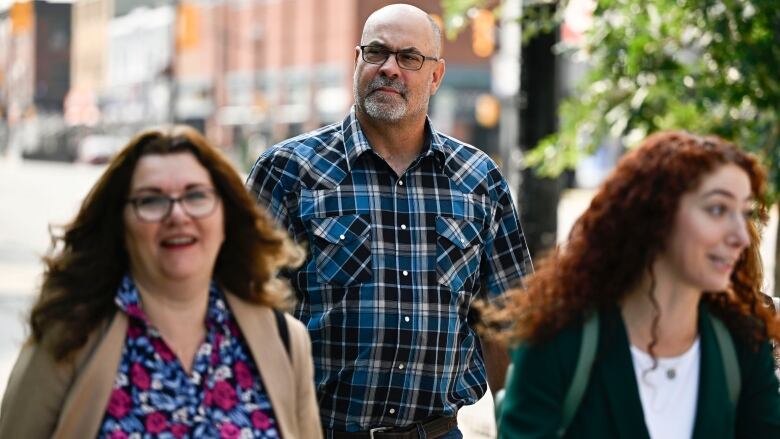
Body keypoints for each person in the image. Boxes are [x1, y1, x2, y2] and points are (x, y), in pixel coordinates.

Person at [246, 4, 532, 437]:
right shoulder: (288, 171)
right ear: (356, 61)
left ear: (435, 76)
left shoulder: (478, 180)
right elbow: (243, 312)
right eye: (376, 53)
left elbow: (509, 324)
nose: (390, 69)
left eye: (409, 58)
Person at [0, 126, 322, 438]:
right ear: (120, 224)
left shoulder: (285, 341)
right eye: (151, 200)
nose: (178, 215)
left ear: (225, 216)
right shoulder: (69, 336)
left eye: (196, 196)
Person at [496, 131, 780, 438]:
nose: (740, 235)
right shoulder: (559, 341)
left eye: (744, 213)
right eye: (717, 210)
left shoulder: (743, 345)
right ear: (655, 216)